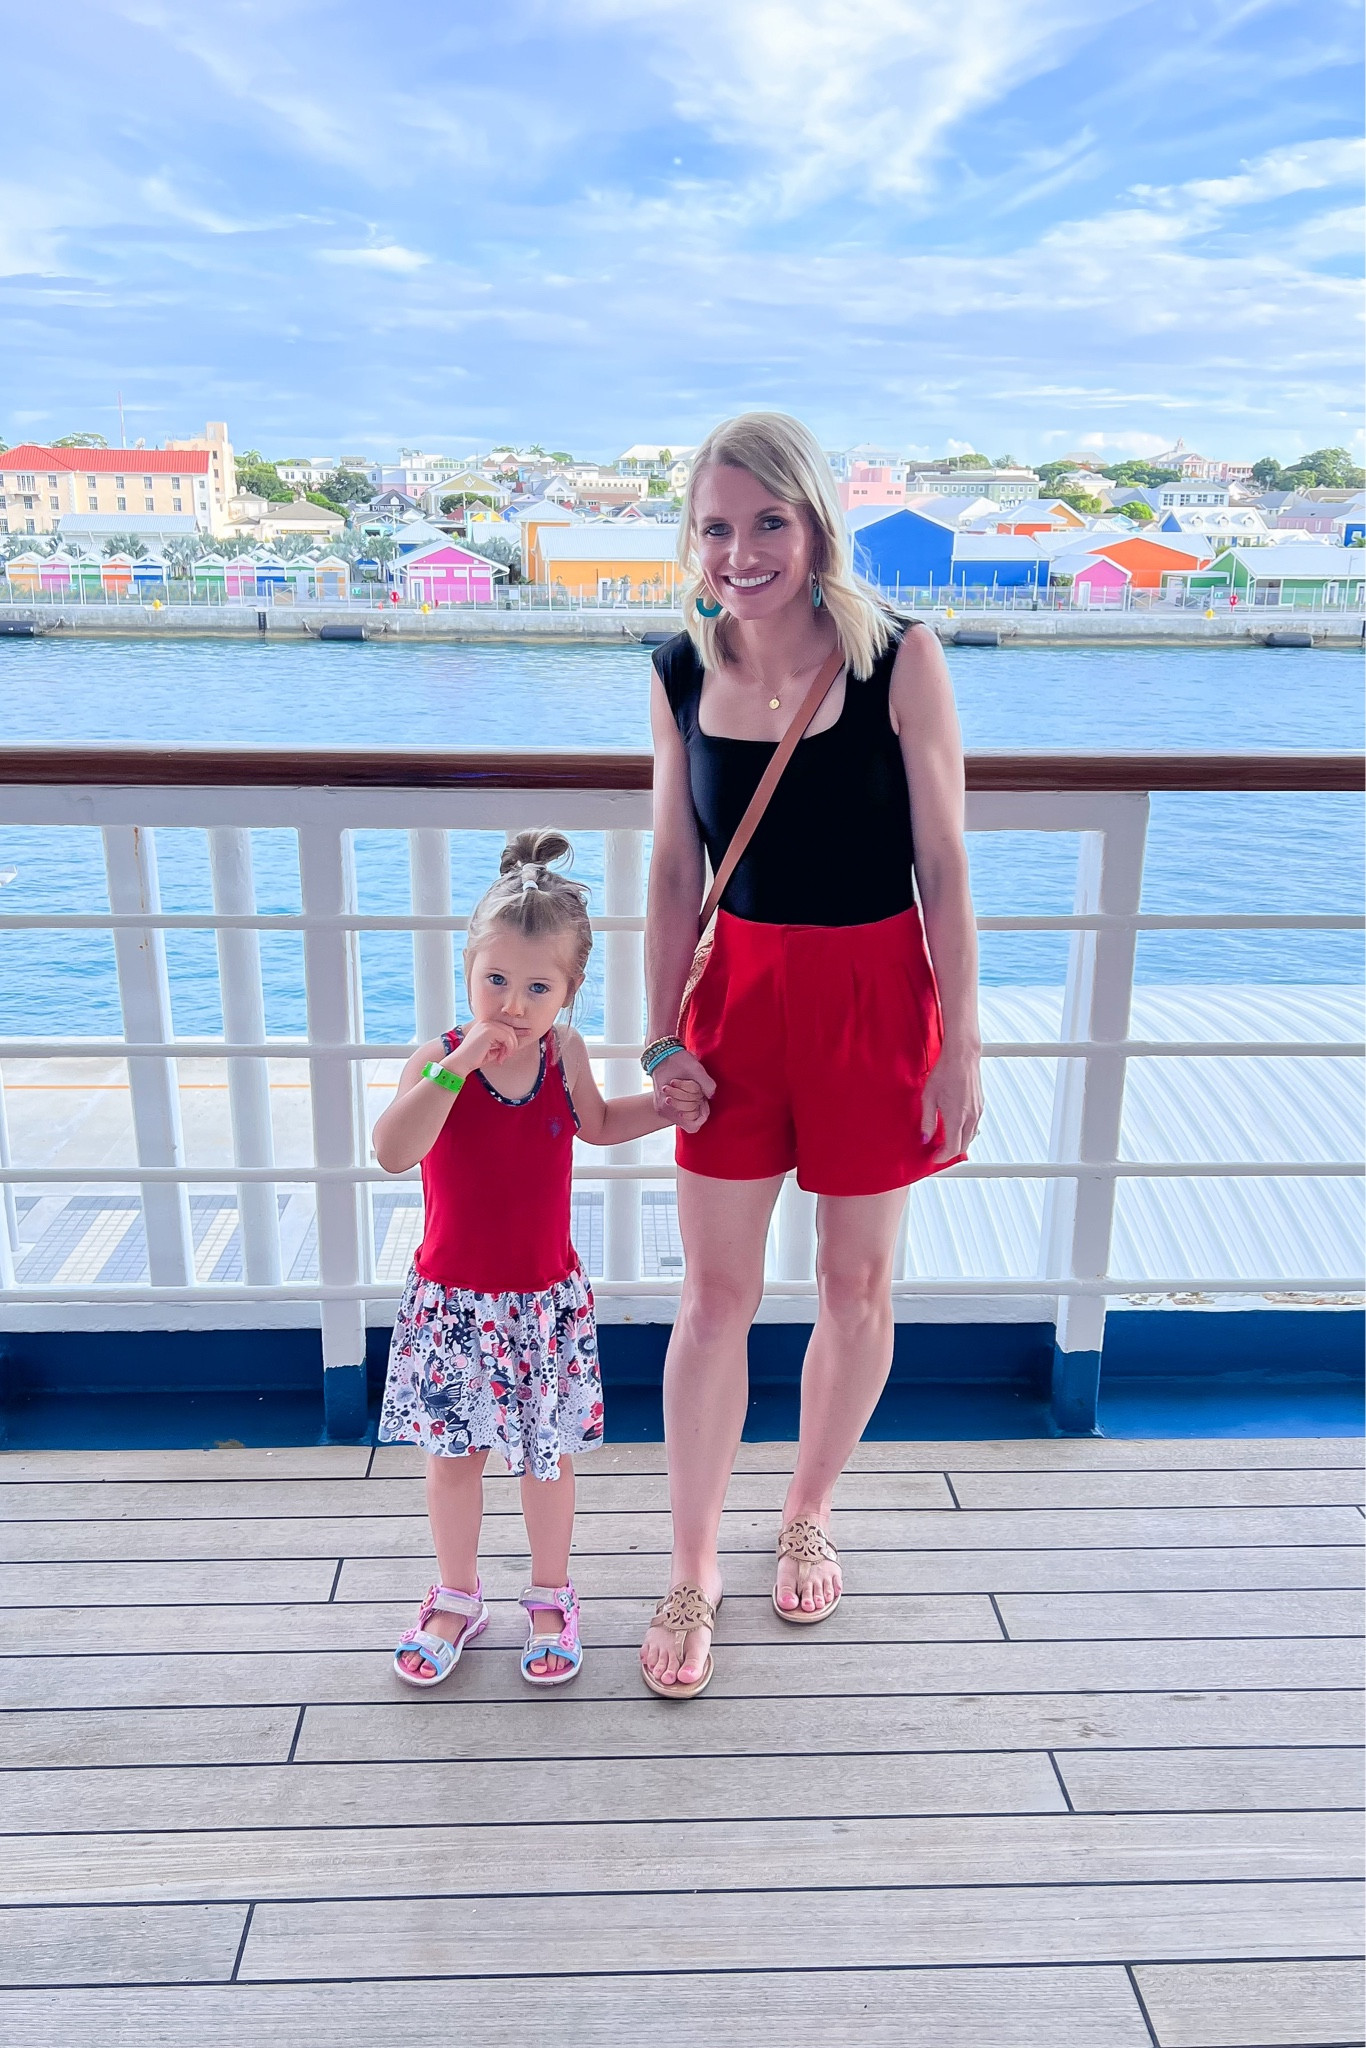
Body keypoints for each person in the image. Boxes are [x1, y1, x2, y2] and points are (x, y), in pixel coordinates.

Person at [638, 412, 984, 1700]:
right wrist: (661, 1027)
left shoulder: (899, 659)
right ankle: (689, 1565)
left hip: (874, 991)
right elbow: (675, 865)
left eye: (767, 522)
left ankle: (806, 1508)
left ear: (815, 522)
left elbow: (943, 863)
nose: (742, 551)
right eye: (717, 527)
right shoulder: (680, 669)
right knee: (713, 1296)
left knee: (855, 1283)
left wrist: (961, 1038)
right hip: (737, 1003)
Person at [374, 829, 703, 1689]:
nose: (511, 1006)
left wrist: (666, 1110)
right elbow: (391, 1149)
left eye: (536, 987)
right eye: (495, 981)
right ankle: (456, 1593)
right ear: (468, 969)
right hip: (453, 1304)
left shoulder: (564, 1056)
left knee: (545, 1461)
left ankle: (552, 1593)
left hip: (540, 1305)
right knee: (453, 1462)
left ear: (569, 992)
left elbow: (598, 1124)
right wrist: (451, 1068)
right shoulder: (438, 1059)